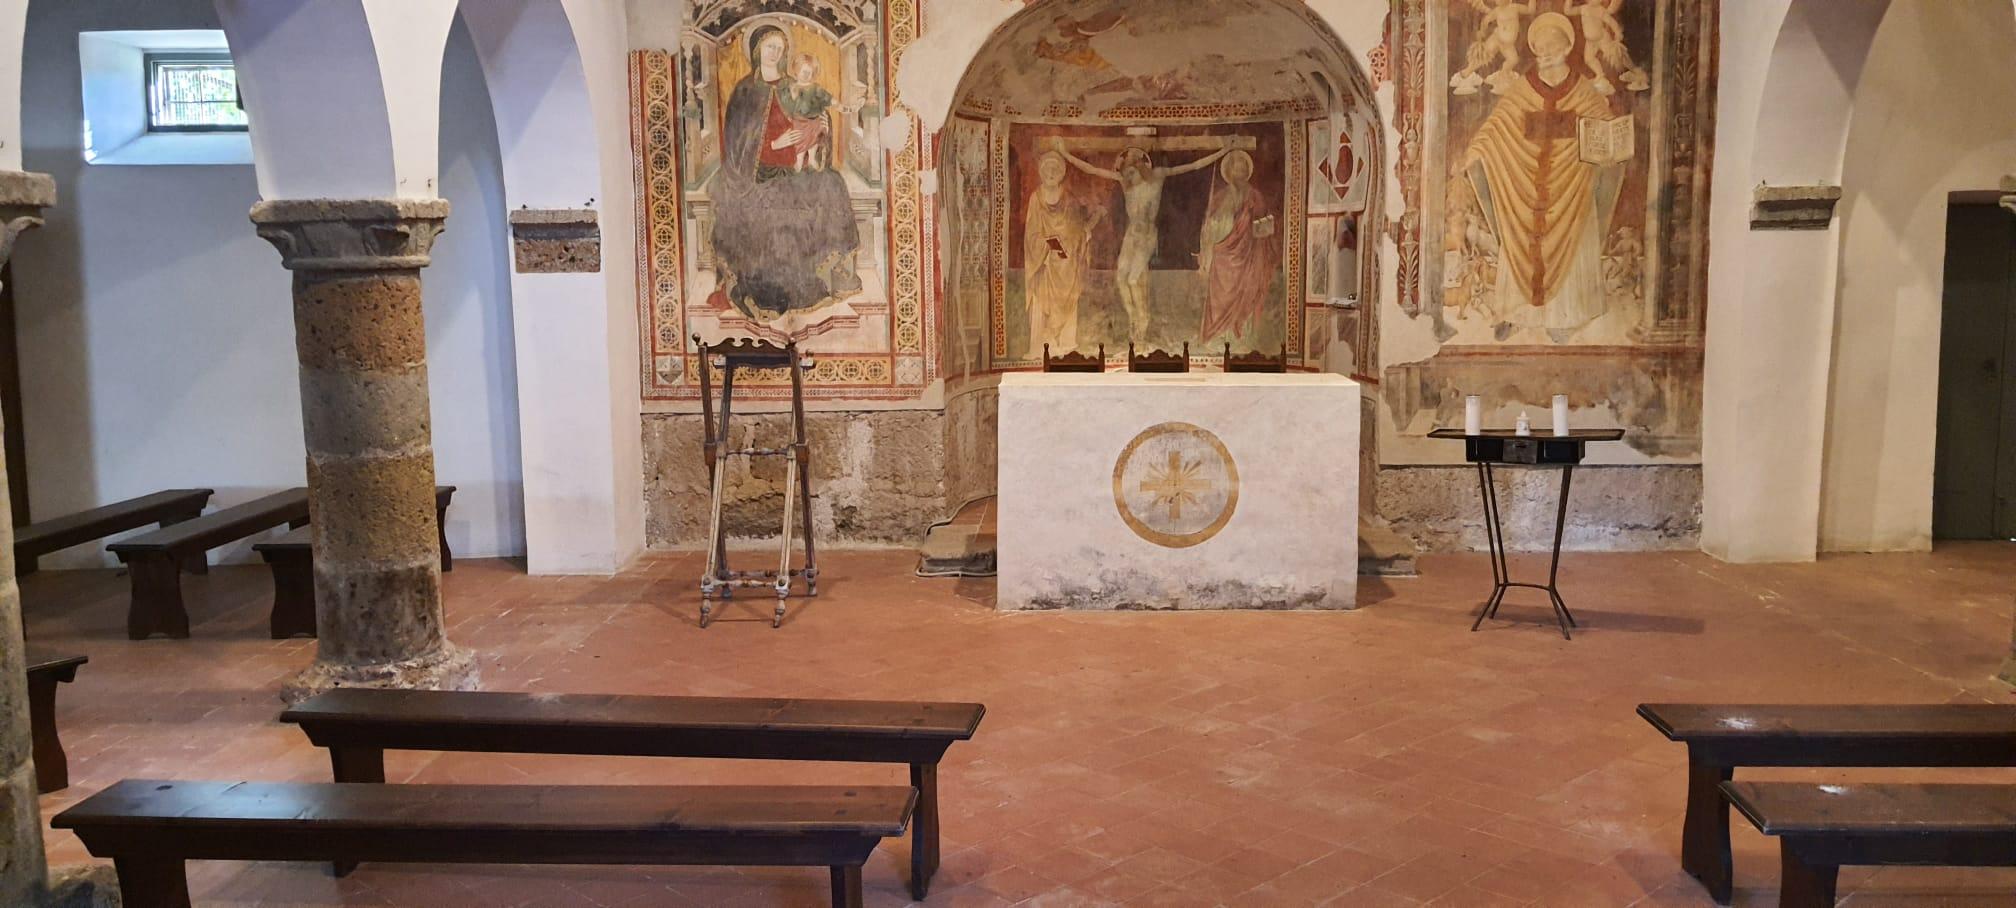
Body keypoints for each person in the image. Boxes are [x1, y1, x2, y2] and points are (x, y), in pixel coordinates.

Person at [1454, 11, 1625, 341]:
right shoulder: (1522, 89)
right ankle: (1515, 314)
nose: (1544, 54)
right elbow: (1498, 125)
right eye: (1539, 48)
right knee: (1518, 237)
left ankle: (1567, 317)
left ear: (1567, 48)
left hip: (1572, 189)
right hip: (1525, 187)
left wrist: (1613, 145)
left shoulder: (1584, 91)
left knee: (1574, 242)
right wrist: (1477, 150)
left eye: (1551, 47)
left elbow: (1604, 128)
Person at [707, 25, 861, 320]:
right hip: (757, 174)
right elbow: (737, 141)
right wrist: (774, 144)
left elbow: (811, 113)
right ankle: (773, 290)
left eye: (780, 48)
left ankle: (829, 277)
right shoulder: (745, 91)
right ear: (756, 51)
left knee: (831, 185)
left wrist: (823, 128)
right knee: (774, 211)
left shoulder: (794, 84)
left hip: (796, 167)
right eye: (770, 47)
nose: (775, 53)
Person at [1053, 138, 1231, 343]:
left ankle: (1143, 318)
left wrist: (1222, 151)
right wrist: (1065, 154)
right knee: (1121, 278)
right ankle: (1133, 317)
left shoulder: (1158, 176)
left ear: (1141, 166)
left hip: (1147, 235)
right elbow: (1092, 169)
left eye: (1132, 171)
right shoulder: (1125, 182)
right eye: (1126, 172)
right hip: (1131, 235)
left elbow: (1194, 165)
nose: (1128, 176)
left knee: (1133, 279)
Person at [1197, 150, 1279, 344]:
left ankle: (1241, 334)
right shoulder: (1220, 197)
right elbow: (1211, 225)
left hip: (1249, 253)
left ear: (1247, 173)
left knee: (1248, 291)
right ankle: (1218, 335)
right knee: (1221, 295)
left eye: (1243, 170)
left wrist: (1252, 221)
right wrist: (1218, 223)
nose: (1239, 174)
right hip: (1224, 254)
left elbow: (1265, 225)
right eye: (1236, 170)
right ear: (1229, 172)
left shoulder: (1255, 196)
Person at [1022, 151, 1097, 355]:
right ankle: (1043, 342)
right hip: (1044, 261)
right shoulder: (1036, 199)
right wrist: (1048, 245)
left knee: (1069, 271)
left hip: (1067, 259)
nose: (1051, 173)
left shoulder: (1069, 199)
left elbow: (1075, 229)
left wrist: (1083, 233)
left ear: (1061, 174)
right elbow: (1032, 233)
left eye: (1055, 169)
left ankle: (1062, 340)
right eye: (1047, 169)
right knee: (1045, 284)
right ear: (1041, 172)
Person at [776, 53, 835, 172]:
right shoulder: (789, 87)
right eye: (804, 71)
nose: (807, 75)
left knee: (814, 138)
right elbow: (787, 108)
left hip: (814, 121)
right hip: (799, 122)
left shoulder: (815, 88)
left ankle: (812, 159)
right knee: (799, 141)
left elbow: (827, 101)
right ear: (796, 71)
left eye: (810, 72)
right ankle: (799, 162)